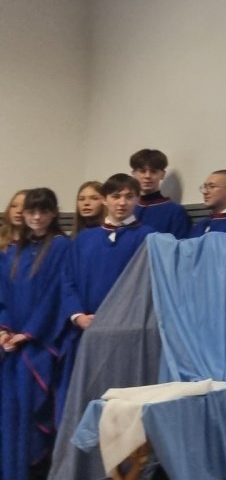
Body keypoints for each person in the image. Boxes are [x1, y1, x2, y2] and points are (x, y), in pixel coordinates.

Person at [58, 174, 156, 422]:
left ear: (138, 199)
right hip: (88, 331)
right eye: (115, 196)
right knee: (88, 398)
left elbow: (150, 286)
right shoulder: (84, 239)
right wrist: (78, 315)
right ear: (104, 200)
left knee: (124, 402)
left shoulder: (150, 238)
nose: (122, 203)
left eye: (129, 197)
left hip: (129, 333)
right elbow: (67, 281)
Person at [0, 187, 73, 480]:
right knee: (9, 409)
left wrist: (28, 333)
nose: (37, 217)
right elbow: (3, 295)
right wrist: (4, 331)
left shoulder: (60, 247)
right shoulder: (13, 250)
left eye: (43, 211)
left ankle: (31, 476)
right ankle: (9, 476)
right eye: (32, 211)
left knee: (32, 408)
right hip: (11, 345)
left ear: (53, 213)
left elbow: (56, 296)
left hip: (40, 343)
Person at [130, 148, 191, 238]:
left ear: (162, 174)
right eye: (142, 171)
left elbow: (181, 244)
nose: (147, 176)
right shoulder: (127, 208)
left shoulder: (175, 211)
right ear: (134, 174)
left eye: (153, 171)